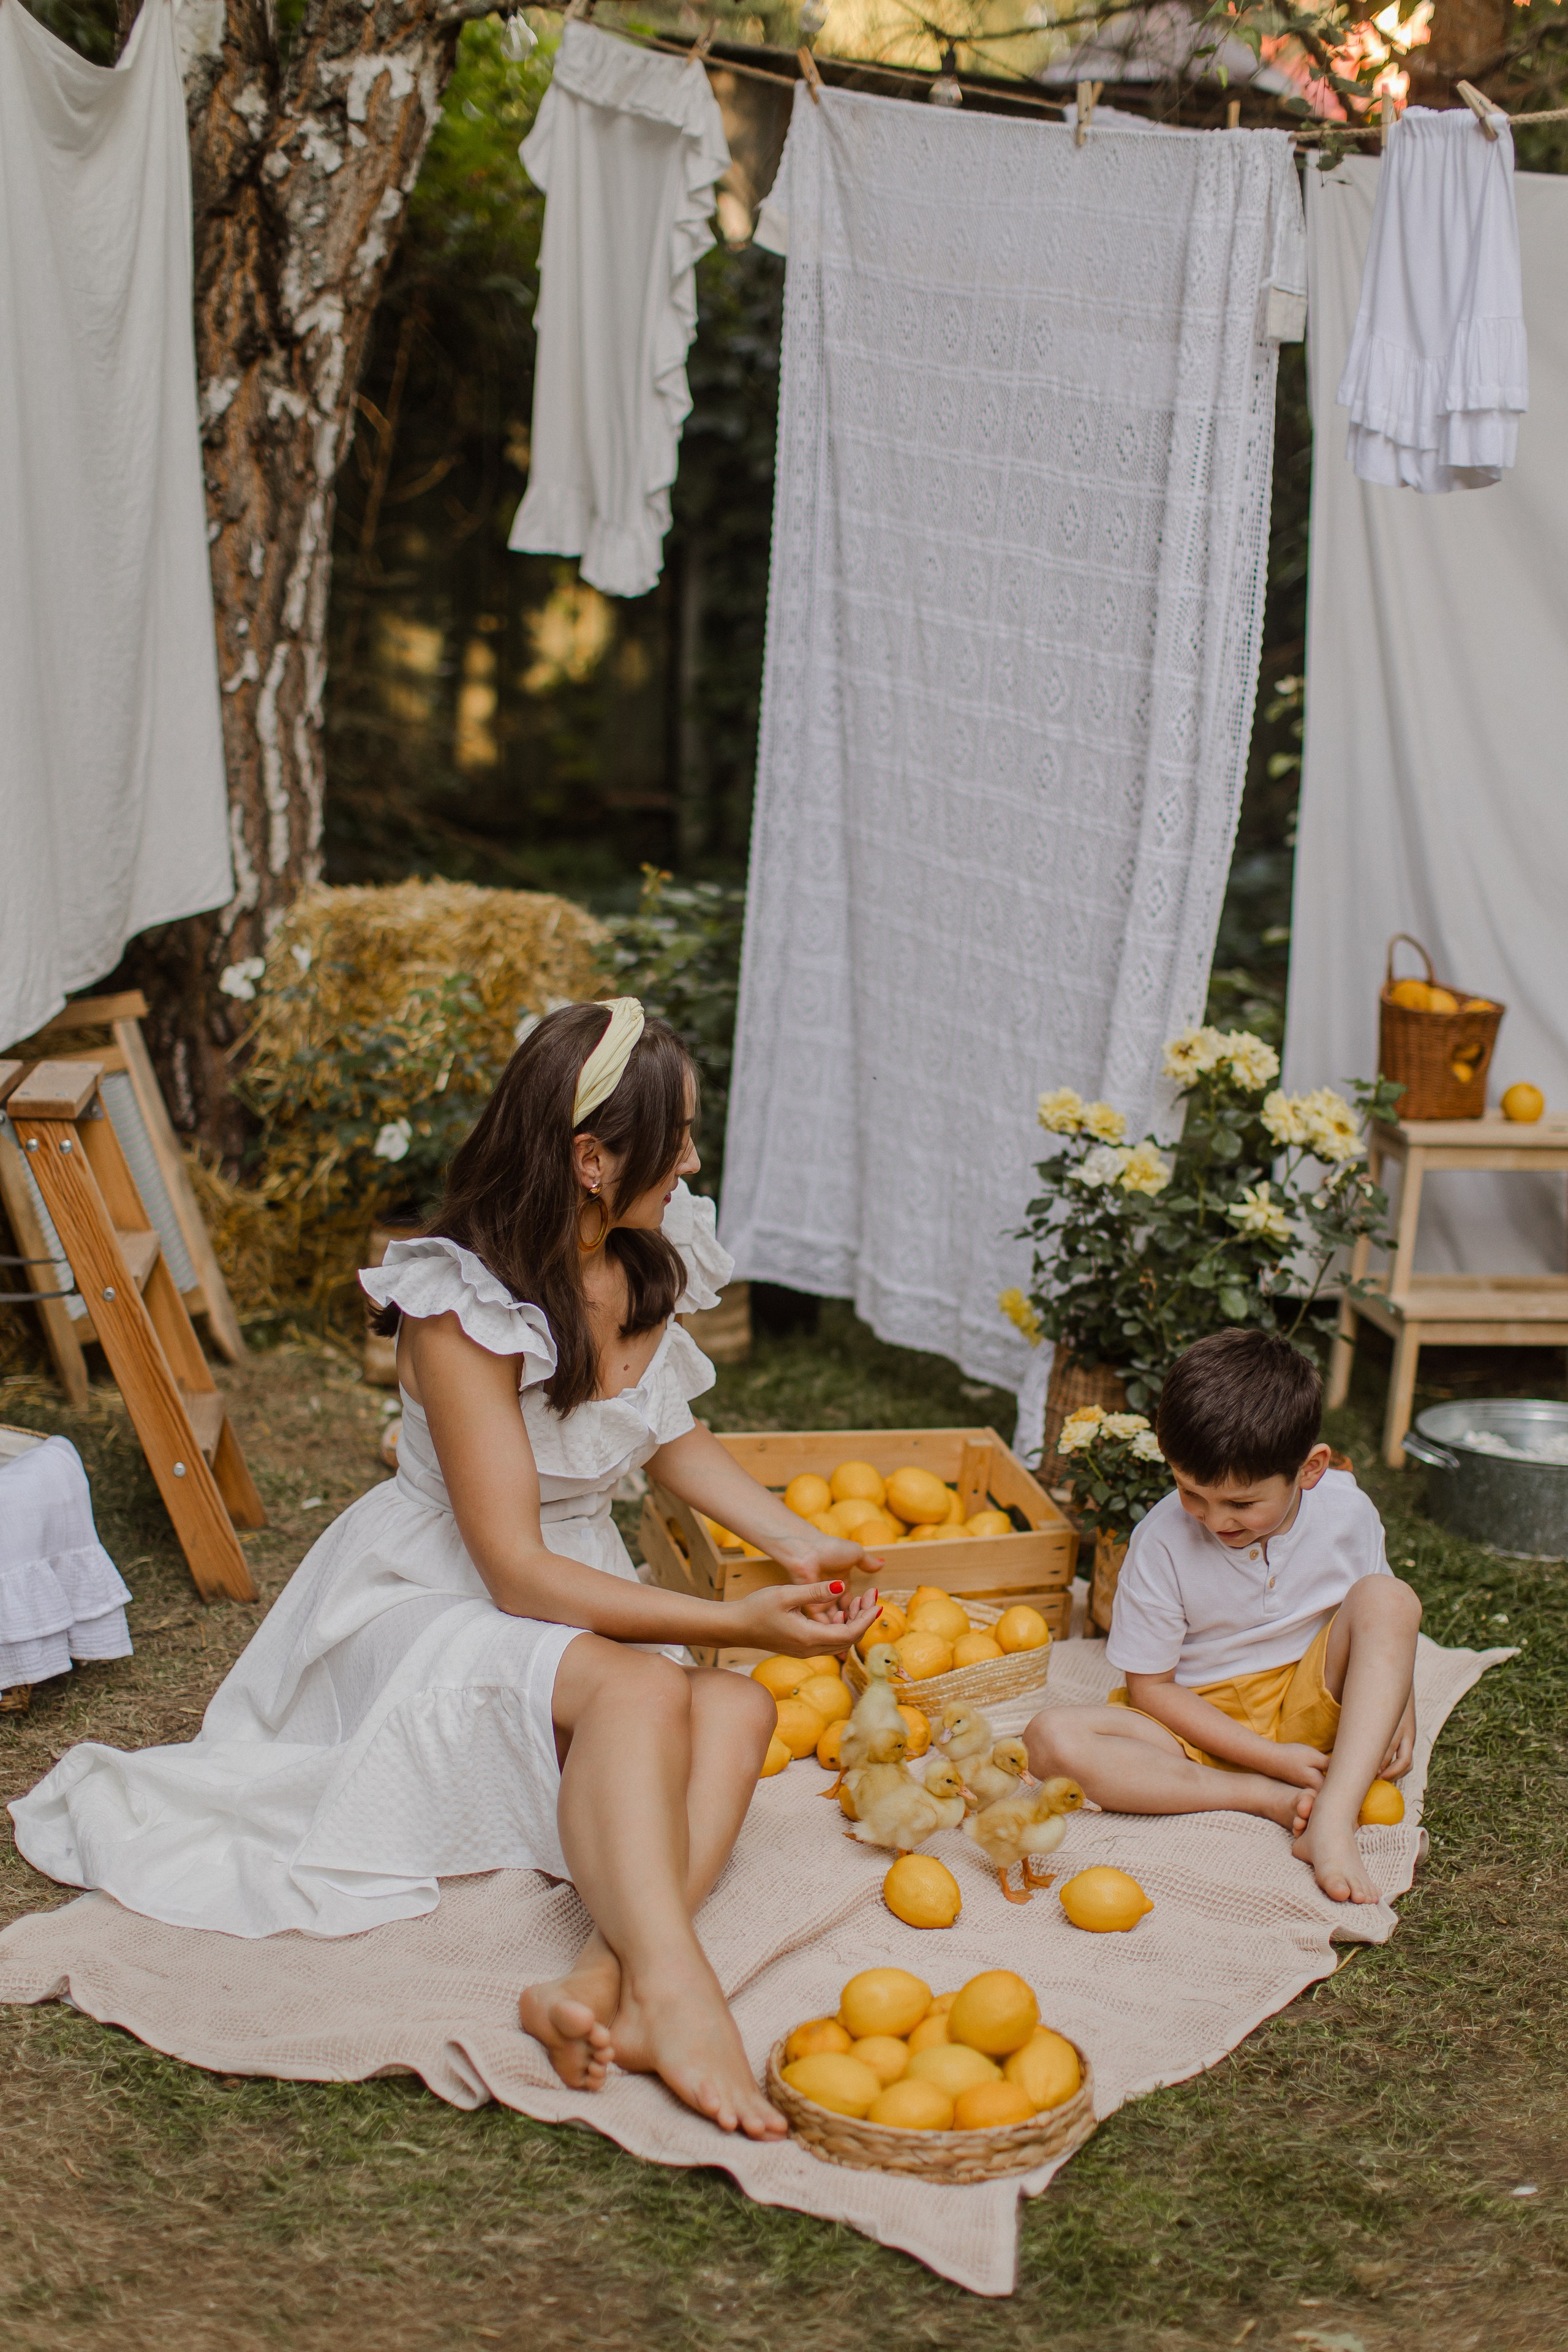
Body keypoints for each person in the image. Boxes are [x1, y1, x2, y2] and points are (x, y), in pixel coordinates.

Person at [10, 1000, 880, 2141]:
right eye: (676, 1137)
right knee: (651, 1685)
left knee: (736, 1711)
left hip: (568, 1591)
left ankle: (601, 1983)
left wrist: (797, 1542)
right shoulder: (460, 1309)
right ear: (588, 1158)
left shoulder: (642, 1259)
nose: (694, 1160)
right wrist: (739, 1618)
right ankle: (681, 1993)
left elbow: (670, 1439)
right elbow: (513, 1572)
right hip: (432, 1599)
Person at [1025, 1329, 1421, 1906]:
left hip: (1316, 1696)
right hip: (1198, 1722)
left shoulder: (1348, 1510)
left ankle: (1332, 1816)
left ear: (1310, 1470)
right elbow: (1152, 1688)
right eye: (1191, 1491)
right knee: (1049, 1738)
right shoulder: (1160, 1542)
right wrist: (1272, 1761)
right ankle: (1260, 1796)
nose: (1213, 1519)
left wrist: (1401, 1709)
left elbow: (1382, 1625)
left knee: (1391, 1597)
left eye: (1241, 1503)